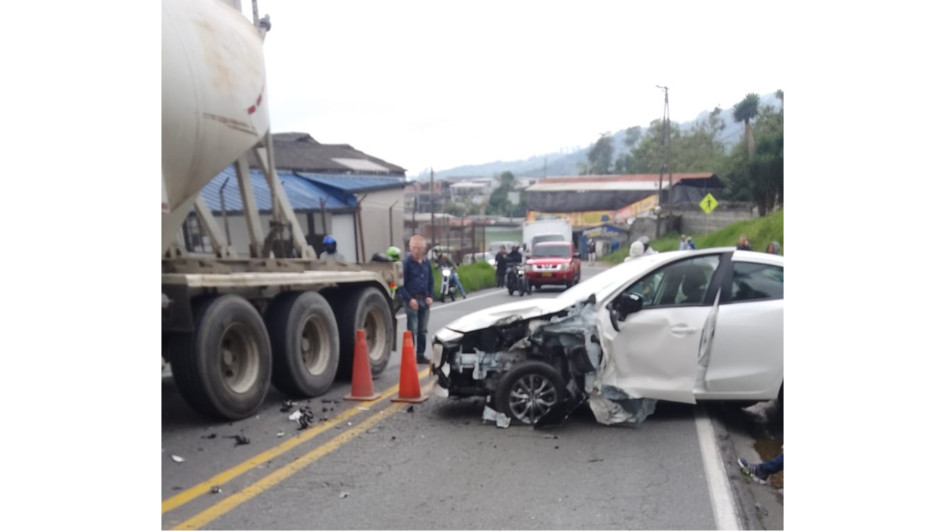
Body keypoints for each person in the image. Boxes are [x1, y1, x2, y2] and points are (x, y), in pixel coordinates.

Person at [399, 235, 435, 365]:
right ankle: (409, 355)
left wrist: (430, 296)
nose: (416, 251)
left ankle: (420, 355)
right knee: (412, 329)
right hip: (412, 300)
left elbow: (431, 282)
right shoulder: (406, 263)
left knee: (422, 330)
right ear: (410, 248)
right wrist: (409, 300)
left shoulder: (426, 263)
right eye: (414, 248)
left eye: (419, 248)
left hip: (424, 300)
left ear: (424, 249)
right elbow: (400, 285)